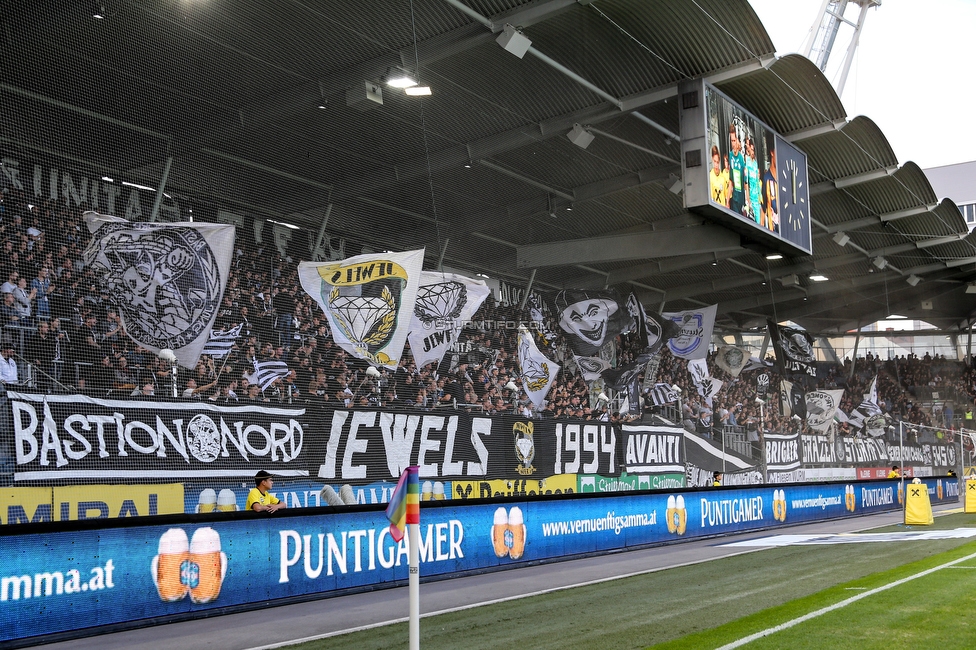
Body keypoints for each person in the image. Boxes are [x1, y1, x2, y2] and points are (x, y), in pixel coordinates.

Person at [727, 124, 747, 216]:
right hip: (734, 198)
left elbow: (745, 182)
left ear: (737, 141)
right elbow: (731, 180)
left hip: (742, 199)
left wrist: (747, 201)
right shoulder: (730, 156)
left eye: (734, 140)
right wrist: (727, 201)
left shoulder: (742, 159)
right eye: (732, 141)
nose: (733, 143)